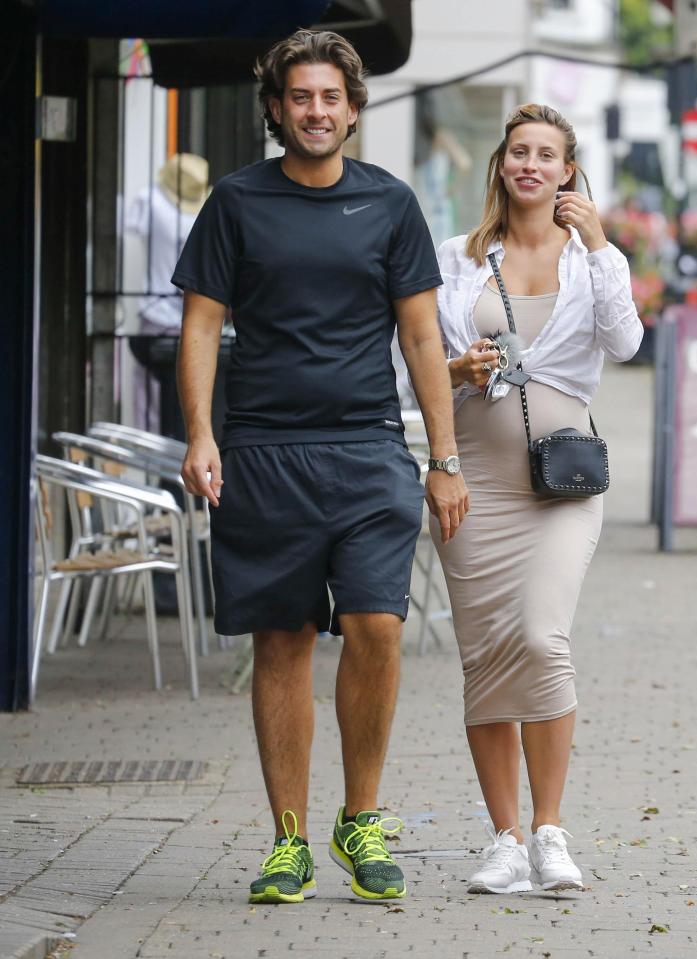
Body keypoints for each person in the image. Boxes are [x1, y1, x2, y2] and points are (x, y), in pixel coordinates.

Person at [173, 30, 468, 905]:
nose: (316, 111)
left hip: (370, 445)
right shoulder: (233, 201)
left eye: (330, 98)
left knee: (378, 626)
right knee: (284, 637)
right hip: (262, 448)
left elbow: (422, 335)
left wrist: (442, 457)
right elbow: (200, 325)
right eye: (300, 97)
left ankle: (362, 818)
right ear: (276, 108)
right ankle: (289, 838)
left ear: (352, 107)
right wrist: (201, 432)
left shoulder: (390, 203)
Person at [432, 104, 643, 894]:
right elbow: (411, 362)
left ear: (567, 172)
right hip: (470, 480)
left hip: (561, 483)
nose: (529, 164)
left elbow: (626, 343)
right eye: (518, 151)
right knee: (485, 654)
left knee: (539, 635)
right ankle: (505, 840)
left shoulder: (593, 260)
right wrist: (458, 368)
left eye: (545, 154)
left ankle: (550, 830)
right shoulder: (458, 257)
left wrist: (598, 242)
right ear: (501, 164)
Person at [126, 153, 210, 431]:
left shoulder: (149, 200)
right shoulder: (204, 210)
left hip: (158, 312)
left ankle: (152, 463)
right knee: (189, 391)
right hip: (190, 313)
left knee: (149, 392)